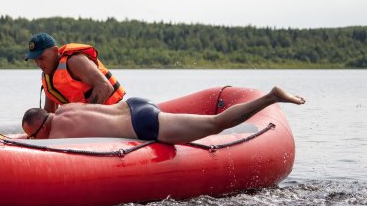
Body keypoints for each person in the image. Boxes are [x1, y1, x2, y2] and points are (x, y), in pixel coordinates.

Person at [21, 86, 305, 143]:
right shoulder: (66, 110)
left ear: (39, 129)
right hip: (133, 105)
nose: (32, 139)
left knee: (216, 124)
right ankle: (271, 96)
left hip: (142, 124)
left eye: (33, 135)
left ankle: (271, 97)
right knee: (211, 123)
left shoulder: (56, 135)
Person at [25, 32, 125, 113]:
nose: (38, 63)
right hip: (89, 120)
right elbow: (50, 111)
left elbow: (105, 86)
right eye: (35, 59)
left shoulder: (74, 61)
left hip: (114, 113)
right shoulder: (48, 76)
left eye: (41, 58)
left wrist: (83, 120)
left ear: (55, 51)